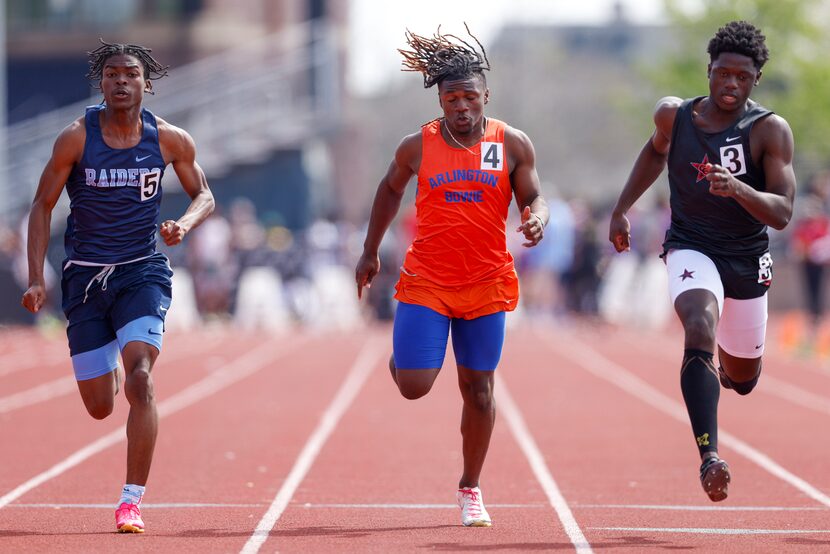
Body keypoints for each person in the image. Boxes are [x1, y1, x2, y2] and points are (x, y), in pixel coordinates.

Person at [354, 26, 549, 527]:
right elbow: (389, 191)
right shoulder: (417, 145)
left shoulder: (512, 144)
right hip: (428, 280)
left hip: (485, 281)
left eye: (469, 96)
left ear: (486, 96)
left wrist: (537, 218)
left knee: (478, 389)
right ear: (439, 100)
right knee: (414, 385)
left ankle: (470, 487)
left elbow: (533, 197)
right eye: (450, 98)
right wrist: (370, 250)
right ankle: (405, 357)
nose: (460, 106)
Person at [21, 40, 215, 532]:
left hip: (141, 270)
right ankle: (105, 357)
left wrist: (185, 225)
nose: (121, 82)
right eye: (111, 74)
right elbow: (43, 205)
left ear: (145, 83)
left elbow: (205, 195)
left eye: (130, 73)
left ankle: (131, 500)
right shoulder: (76, 138)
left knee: (142, 379)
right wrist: (35, 276)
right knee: (100, 406)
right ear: (101, 83)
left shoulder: (170, 139)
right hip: (85, 277)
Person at [608, 21, 796, 502]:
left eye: (743, 77)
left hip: (747, 256)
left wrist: (738, 188)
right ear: (708, 70)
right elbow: (654, 154)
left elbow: (783, 212)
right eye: (723, 74)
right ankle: (710, 456)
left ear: (757, 78)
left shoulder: (769, 130)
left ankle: (733, 374)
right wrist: (622, 208)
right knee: (698, 326)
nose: (731, 84)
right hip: (692, 245)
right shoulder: (675, 116)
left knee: (745, 379)